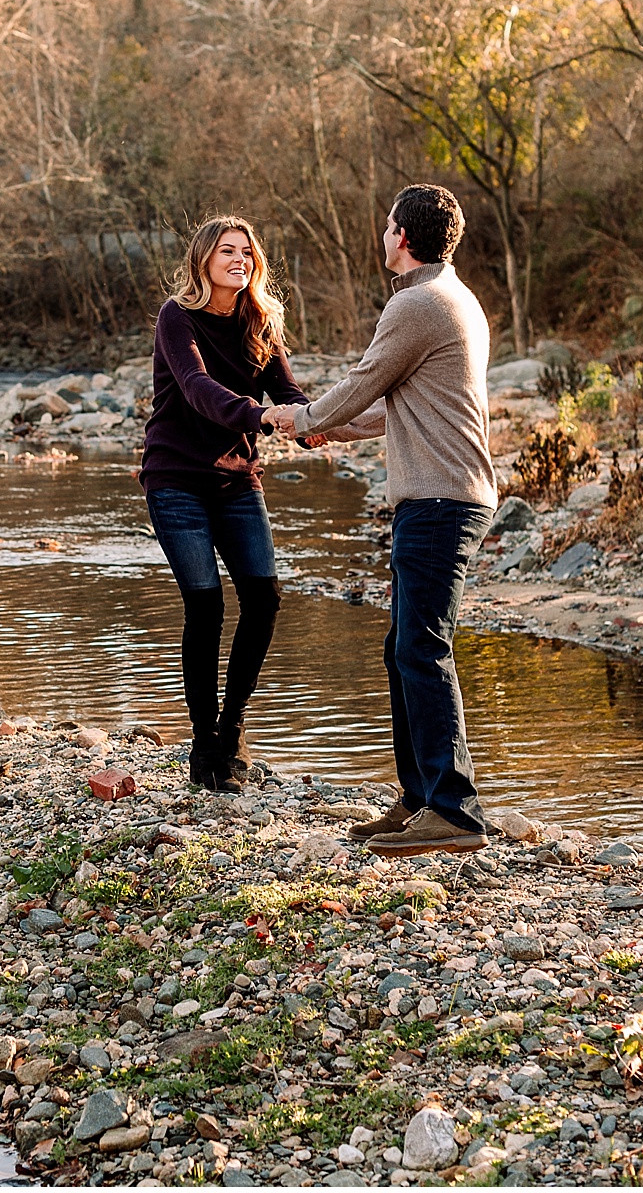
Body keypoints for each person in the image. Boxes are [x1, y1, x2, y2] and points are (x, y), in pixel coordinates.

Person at [271, 184, 497, 857]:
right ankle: (419, 795)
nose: (382, 235)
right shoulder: (454, 298)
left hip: (438, 500)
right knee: (401, 647)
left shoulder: (416, 303)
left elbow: (362, 382)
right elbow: (396, 406)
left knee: (421, 648)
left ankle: (454, 811)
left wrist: (301, 418)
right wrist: (331, 435)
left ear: (402, 236)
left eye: (386, 227)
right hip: (444, 496)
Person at [142, 216, 318, 793]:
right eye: (227, 251)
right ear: (203, 260)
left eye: (247, 252)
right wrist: (259, 414)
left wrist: (313, 421)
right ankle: (203, 741)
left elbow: (289, 394)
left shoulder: (259, 320)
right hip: (175, 480)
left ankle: (232, 726)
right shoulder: (178, 316)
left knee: (263, 600)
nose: (239, 260)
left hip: (238, 480)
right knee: (207, 605)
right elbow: (195, 387)